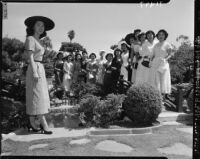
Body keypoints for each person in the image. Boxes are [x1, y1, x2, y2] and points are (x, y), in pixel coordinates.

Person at [24, 16, 55, 134]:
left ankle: (32, 122)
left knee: (39, 95)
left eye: (42, 26)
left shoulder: (40, 41)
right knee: (36, 95)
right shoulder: (30, 39)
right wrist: (35, 71)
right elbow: (30, 57)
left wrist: (39, 70)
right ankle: (43, 123)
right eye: (38, 25)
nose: (41, 27)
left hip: (40, 67)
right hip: (34, 67)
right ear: (33, 26)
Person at [149, 29, 175, 97]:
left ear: (165, 36)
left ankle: (163, 98)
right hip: (155, 63)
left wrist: (165, 59)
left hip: (163, 63)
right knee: (155, 79)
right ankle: (157, 97)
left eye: (162, 34)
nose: (161, 36)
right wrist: (150, 61)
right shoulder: (156, 45)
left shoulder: (167, 44)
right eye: (159, 34)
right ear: (157, 36)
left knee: (163, 80)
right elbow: (153, 55)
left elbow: (170, 54)